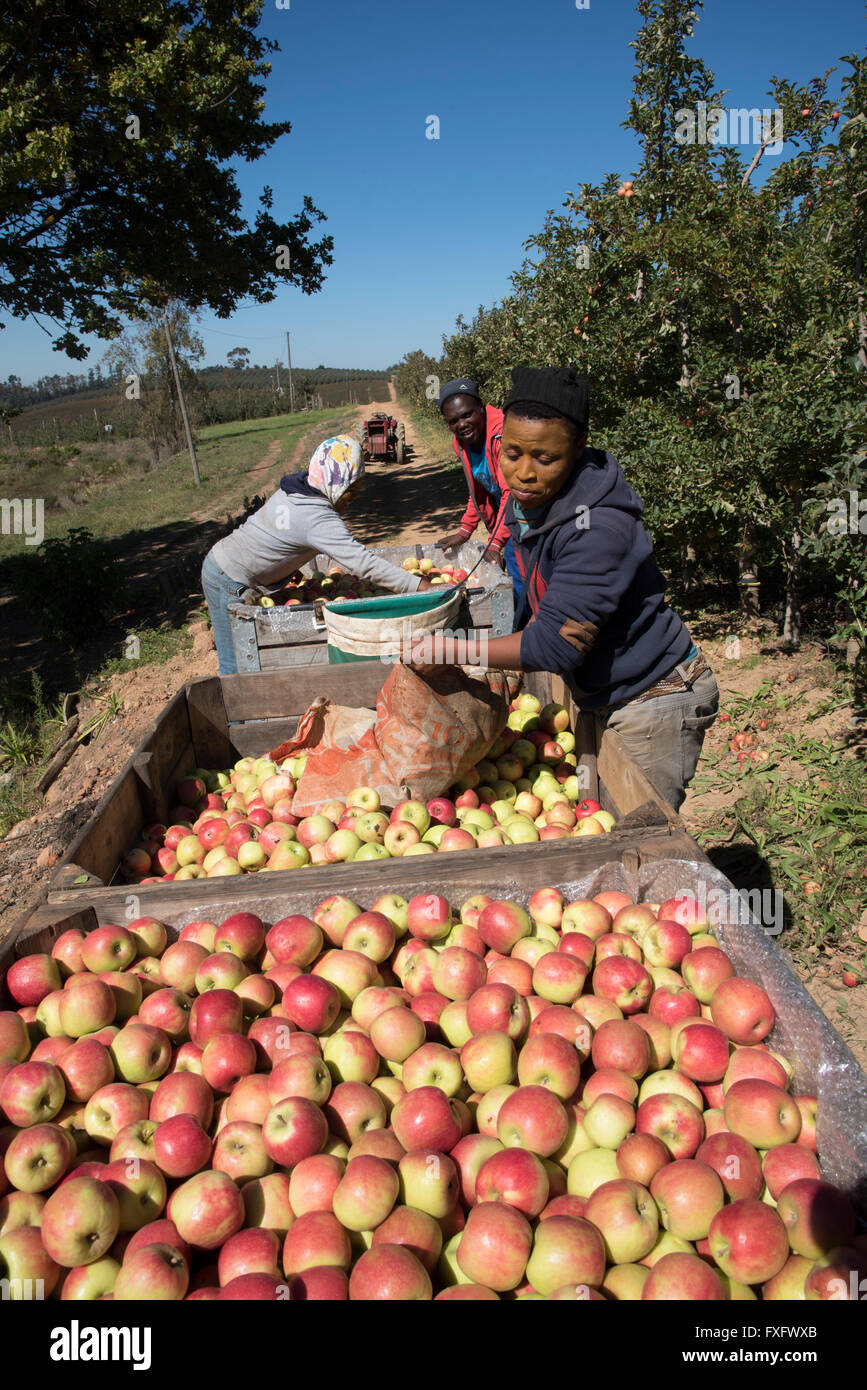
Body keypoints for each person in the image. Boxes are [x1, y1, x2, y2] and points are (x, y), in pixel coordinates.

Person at [406, 367, 719, 810]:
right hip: (601, 692)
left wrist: (452, 650)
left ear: (576, 450)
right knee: (591, 816)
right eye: (511, 453)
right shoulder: (532, 504)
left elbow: (555, 646)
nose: (523, 473)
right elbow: (544, 602)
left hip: (654, 696)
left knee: (637, 838)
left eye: (545, 458)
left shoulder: (600, 528)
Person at [202, 435, 431, 674]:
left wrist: (288, 566)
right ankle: (245, 710)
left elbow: (277, 533)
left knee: (245, 660)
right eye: (350, 491)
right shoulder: (317, 517)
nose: (351, 500)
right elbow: (365, 564)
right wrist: (419, 585)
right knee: (237, 666)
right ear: (336, 481)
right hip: (227, 578)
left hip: (223, 564)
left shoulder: (298, 489)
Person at [434, 378, 522, 594]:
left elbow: (511, 493)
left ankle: (526, 623)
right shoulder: (462, 443)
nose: (461, 424)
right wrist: (465, 530)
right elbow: (479, 489)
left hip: (526, 514)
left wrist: (495, 542)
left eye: (467, 415)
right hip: (508, 516)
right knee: (512, 572)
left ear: (481, 409)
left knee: (520, 572)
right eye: (453, 421)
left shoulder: (502, 435)